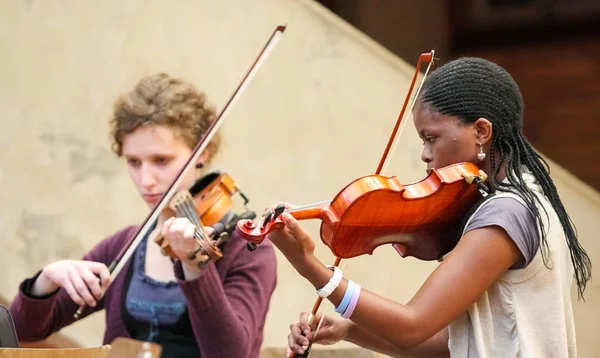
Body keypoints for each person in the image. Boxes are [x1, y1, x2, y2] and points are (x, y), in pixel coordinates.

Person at [264, 57, 590, 357]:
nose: (424, 154)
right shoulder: (527, 198)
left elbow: (412, 325)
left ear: (481, 132)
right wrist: (351, 330)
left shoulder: (505, 216)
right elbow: (451, 342)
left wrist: (309, 266)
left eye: (430, 138)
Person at [9, 73, 277, 358]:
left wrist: (194, 267)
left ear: (203, 152)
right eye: (134, 162)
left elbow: (230, 354)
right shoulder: (123, 246)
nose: (145, 179)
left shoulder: (247, 249)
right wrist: (46, 281)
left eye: (161, 160)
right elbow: (22, 332)